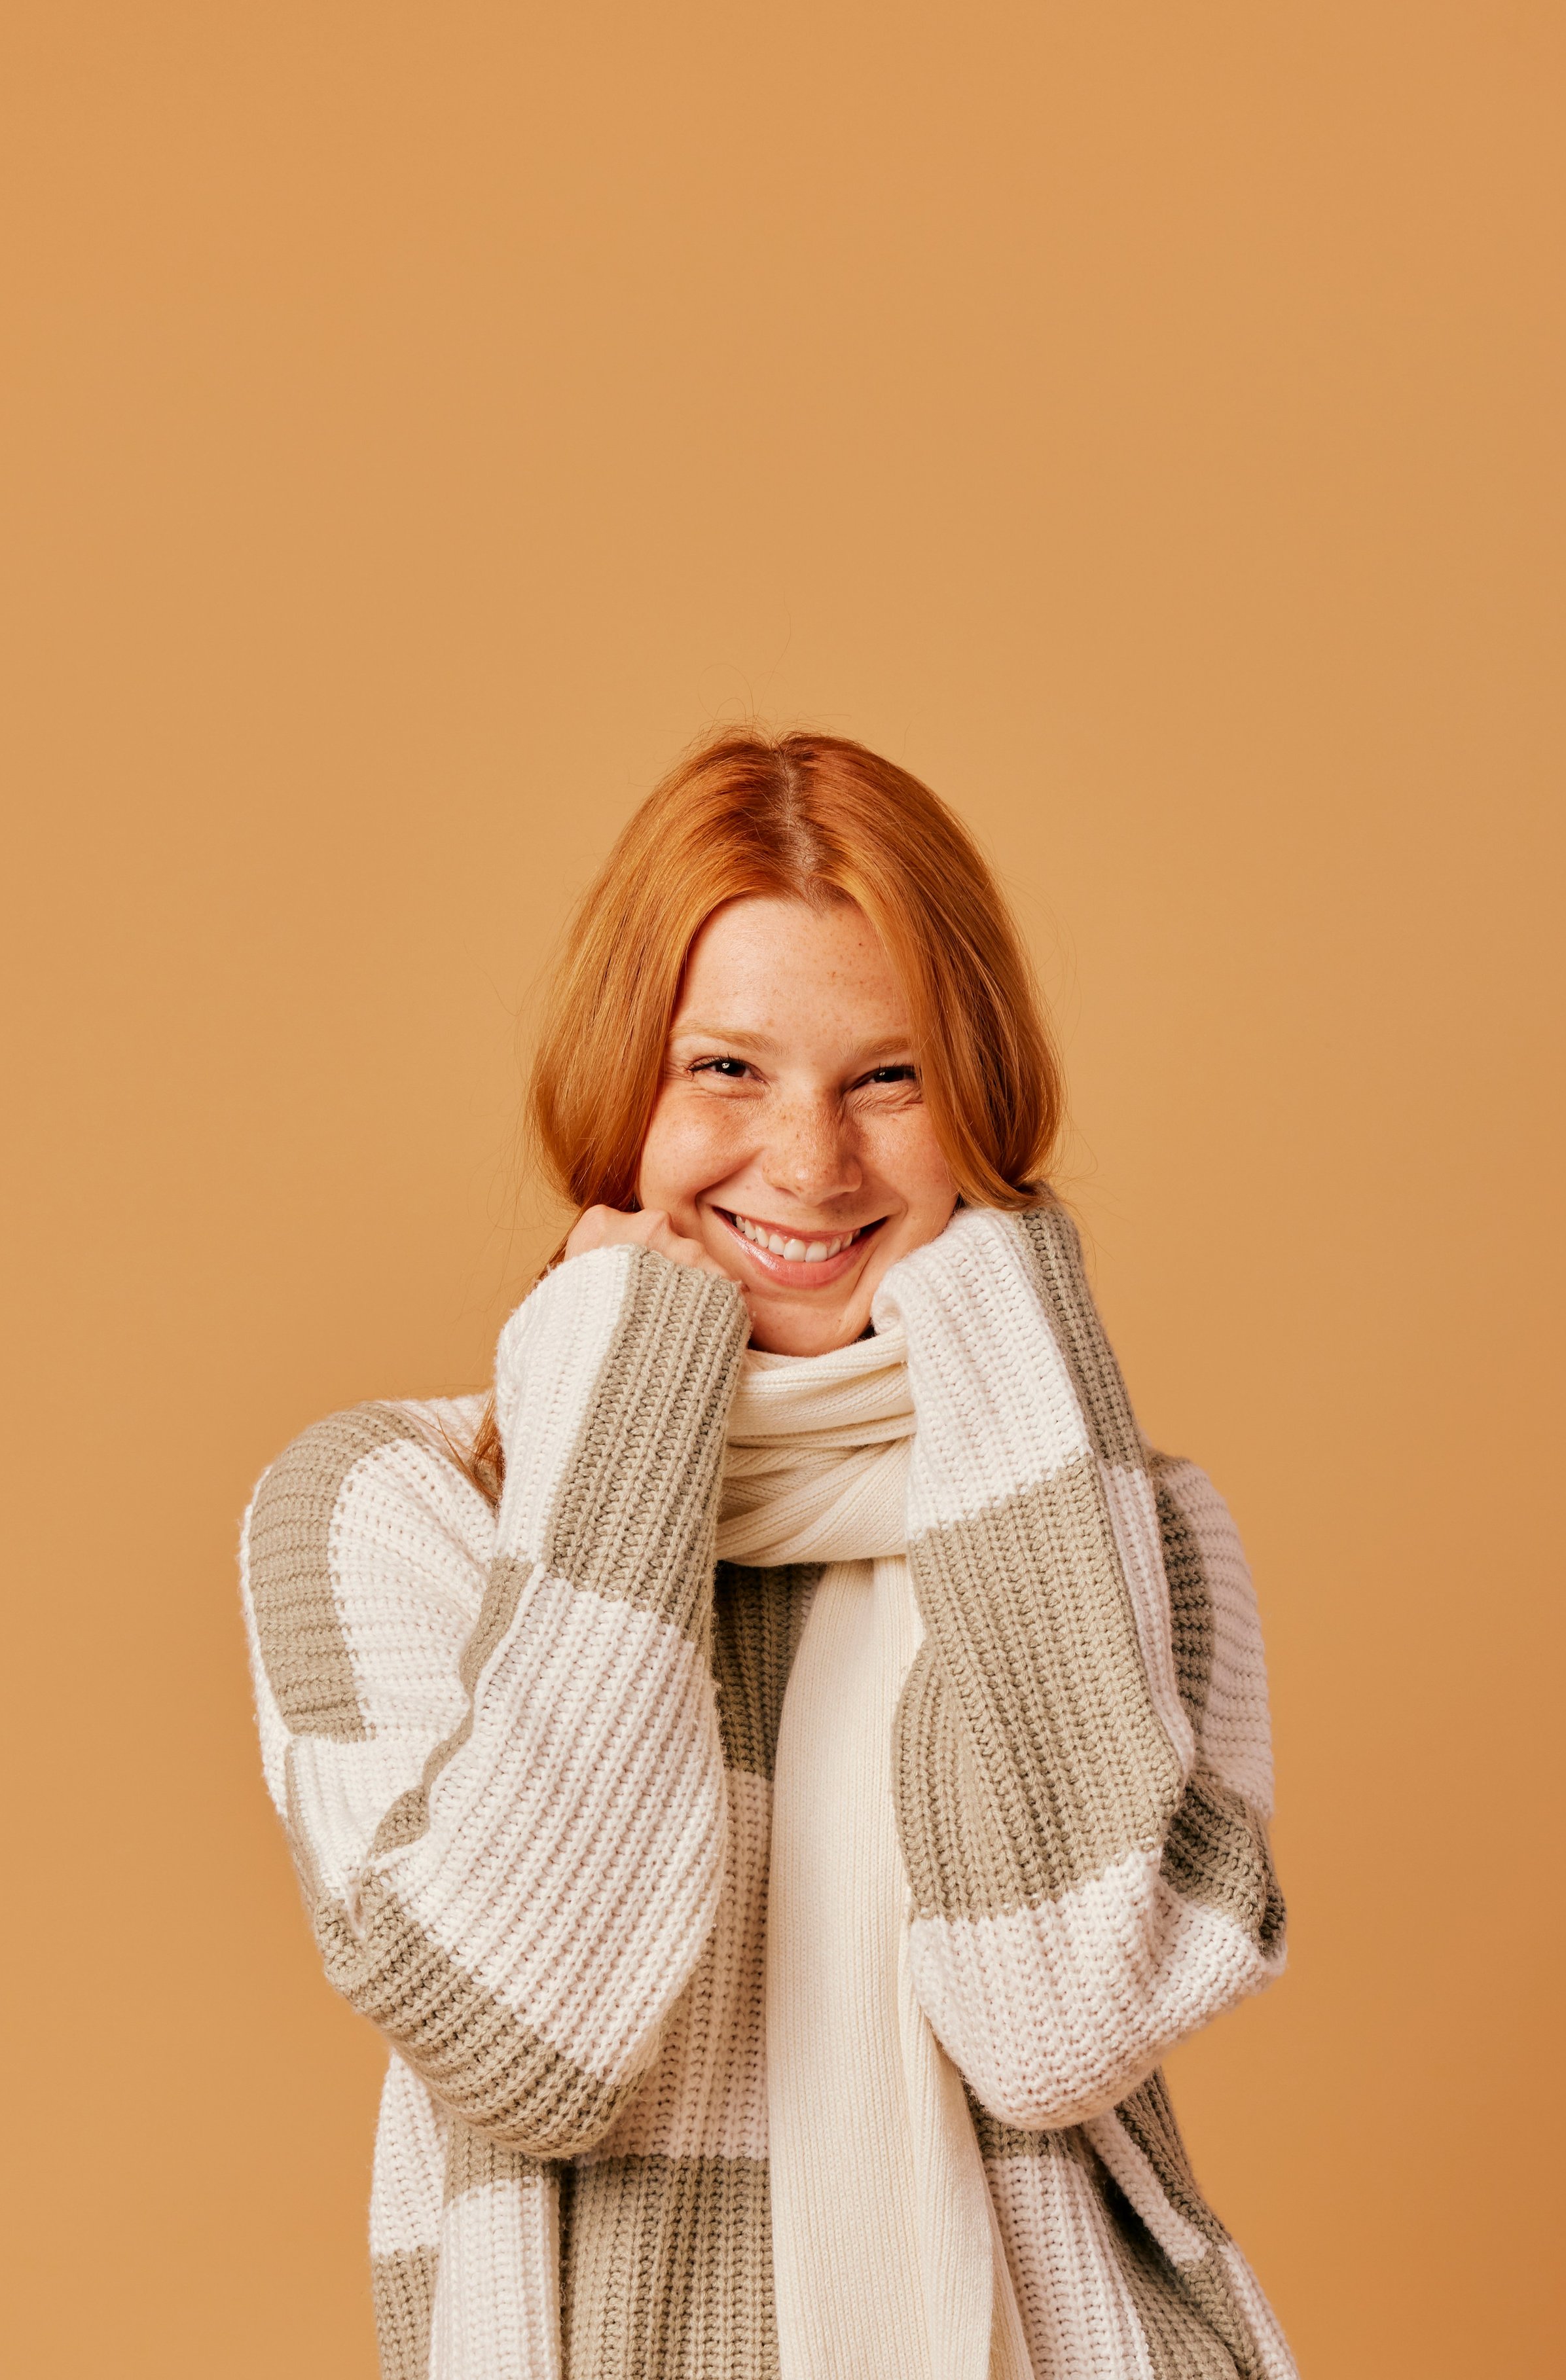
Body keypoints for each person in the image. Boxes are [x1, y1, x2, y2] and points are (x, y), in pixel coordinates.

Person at [240, 728, 1294, 2380]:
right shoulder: (390, 1507)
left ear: (984, 1113)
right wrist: (628, 1394)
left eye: (891, 1078)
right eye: (725, 1069)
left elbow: (1057, 2020)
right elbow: (531, 2037)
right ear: (618, 1086)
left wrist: (1018, 1364)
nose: (810, 1163)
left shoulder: (1131, 1529)